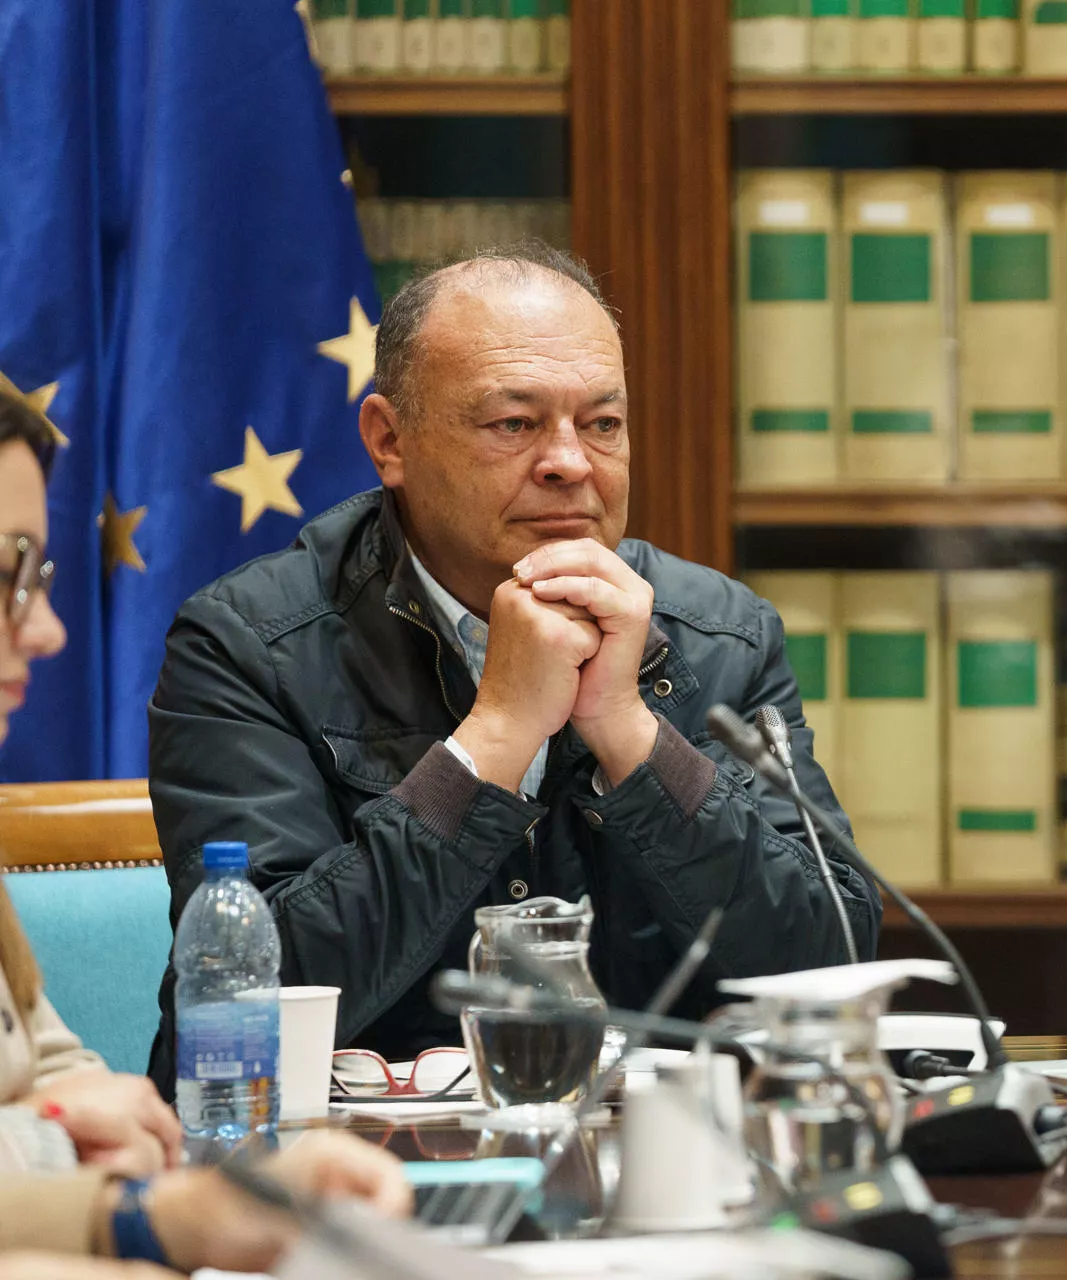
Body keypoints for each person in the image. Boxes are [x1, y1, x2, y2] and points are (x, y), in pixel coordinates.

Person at [146, 242, 879, 1088]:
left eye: (602, 424)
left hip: (662, 1166)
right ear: (391, 441)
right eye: (514, 423)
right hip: (364, 1179)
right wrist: (493, 740)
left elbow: (833, 960)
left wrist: (630, 734)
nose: (570, 462)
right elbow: (248, 1003)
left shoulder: (721, 634)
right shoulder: (248, 646)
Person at [0, 392, 411, 1272]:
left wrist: (108, 1126)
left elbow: (47, 1064)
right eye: (9, 574)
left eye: (39, 579)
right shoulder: (244, 643)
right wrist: (128, 1201)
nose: (45, 629)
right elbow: (50, 1119)